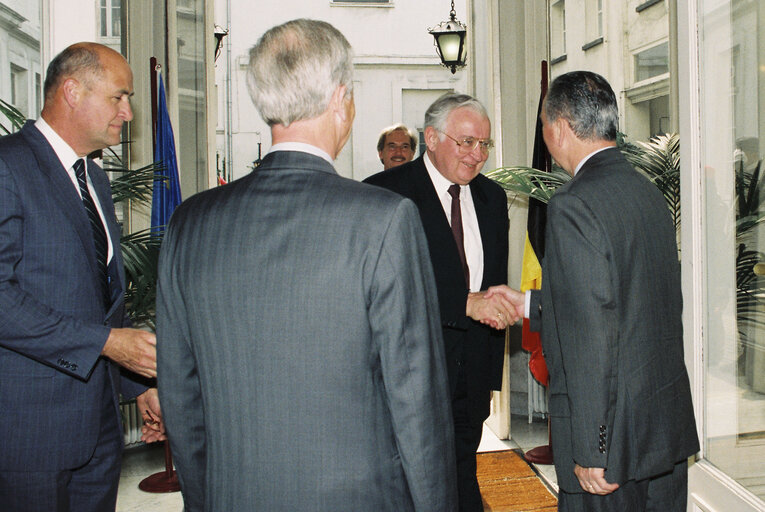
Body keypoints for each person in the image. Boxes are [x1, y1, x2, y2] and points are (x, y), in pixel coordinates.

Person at [156, 18, 458, 511]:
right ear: (341, 99)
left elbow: (179, 389)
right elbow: (415, 400)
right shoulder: (383, 219)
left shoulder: (191, 222)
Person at [490, 70, 699, 511]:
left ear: (561, 128)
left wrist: (591, 448)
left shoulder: (574, 203)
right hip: (660, 428)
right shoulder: (645, 191)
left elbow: (592, 335)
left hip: (612, 445)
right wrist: (528, 303)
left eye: (545, 127)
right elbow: (626, 300)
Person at [0, 42, 164, 511]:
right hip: (27, 438)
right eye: (119, 97)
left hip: (98, 430)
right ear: (72, 91)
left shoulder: (94, 177)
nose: (129, 113)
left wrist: (139, 386)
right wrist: (107, 344)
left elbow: (103, 299)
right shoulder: (7, 166)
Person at [364, 93, 519, 512]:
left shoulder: (491, 198)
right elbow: (375, 291)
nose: (477, 155)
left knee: (461, 474)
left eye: (484, 144)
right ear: (431, 138)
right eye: (466, 142)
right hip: (407, 372)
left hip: (471, 374)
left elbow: (493, 286)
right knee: (409, 486)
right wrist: (459, 303)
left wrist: (489, 376)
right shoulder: (382, 195)